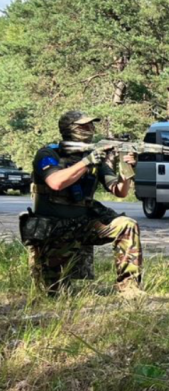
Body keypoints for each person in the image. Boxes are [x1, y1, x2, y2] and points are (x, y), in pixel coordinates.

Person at [20, 111, 144, 298]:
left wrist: (127, 169)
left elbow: (120, 191)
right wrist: (86, 162)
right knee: (54, 293)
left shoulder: (94, 157)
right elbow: (56, 182)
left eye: (91, 125)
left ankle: (129, 288)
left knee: (127, 225)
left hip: (83, 224)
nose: (90, 129)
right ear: (69, 129)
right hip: (53, 230)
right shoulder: (48, 154)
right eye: (84, 126)